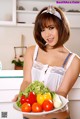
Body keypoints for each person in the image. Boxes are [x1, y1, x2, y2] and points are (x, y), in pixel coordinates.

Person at [13, 6, 80, 119]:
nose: (47, 34)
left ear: (61, 27)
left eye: (51, 27)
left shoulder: (74, 61)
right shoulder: (31, 51)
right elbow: (27, 81)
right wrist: (22, 97)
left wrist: (42, 105)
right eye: (42, 30)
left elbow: (62, 93)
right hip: (29, 116)